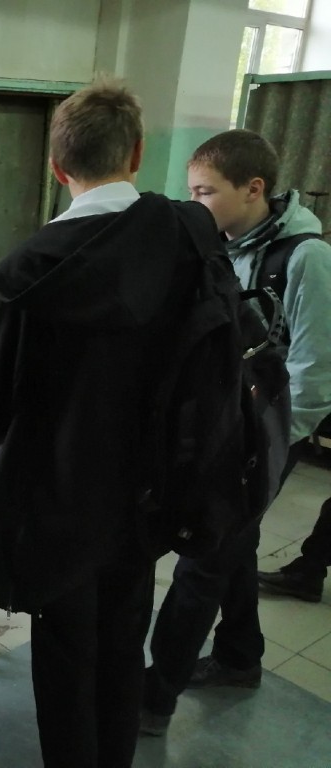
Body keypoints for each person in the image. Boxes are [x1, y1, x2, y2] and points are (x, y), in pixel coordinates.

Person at [0, 77, 227, 768]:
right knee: (123, 639)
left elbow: (2, 413)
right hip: (154, 489)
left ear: (57, 167)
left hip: (61, 502)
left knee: (67, 653)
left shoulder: (33, 273)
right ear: (137, 153)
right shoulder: (189, 237)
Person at [142, 129, 331, 735]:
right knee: (235, 542)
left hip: (267, 434)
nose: (195, 204)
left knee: (206, 553)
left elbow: (316, 371)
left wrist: (264, 450)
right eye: (191, 192)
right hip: (226, 425)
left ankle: (155, 696)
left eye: (206, 192)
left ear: (254, 189)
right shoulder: (221, 244)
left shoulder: (306, 259)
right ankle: (239, 657)